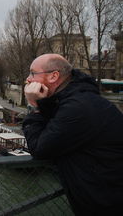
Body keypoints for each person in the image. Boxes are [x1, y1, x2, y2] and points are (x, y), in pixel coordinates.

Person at [22, 53, 123, 215]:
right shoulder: (77, 99)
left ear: (54, 76)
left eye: (32, 73)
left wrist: (35, 106)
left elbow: (40, 149)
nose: (27, 79)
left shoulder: (77, 108)